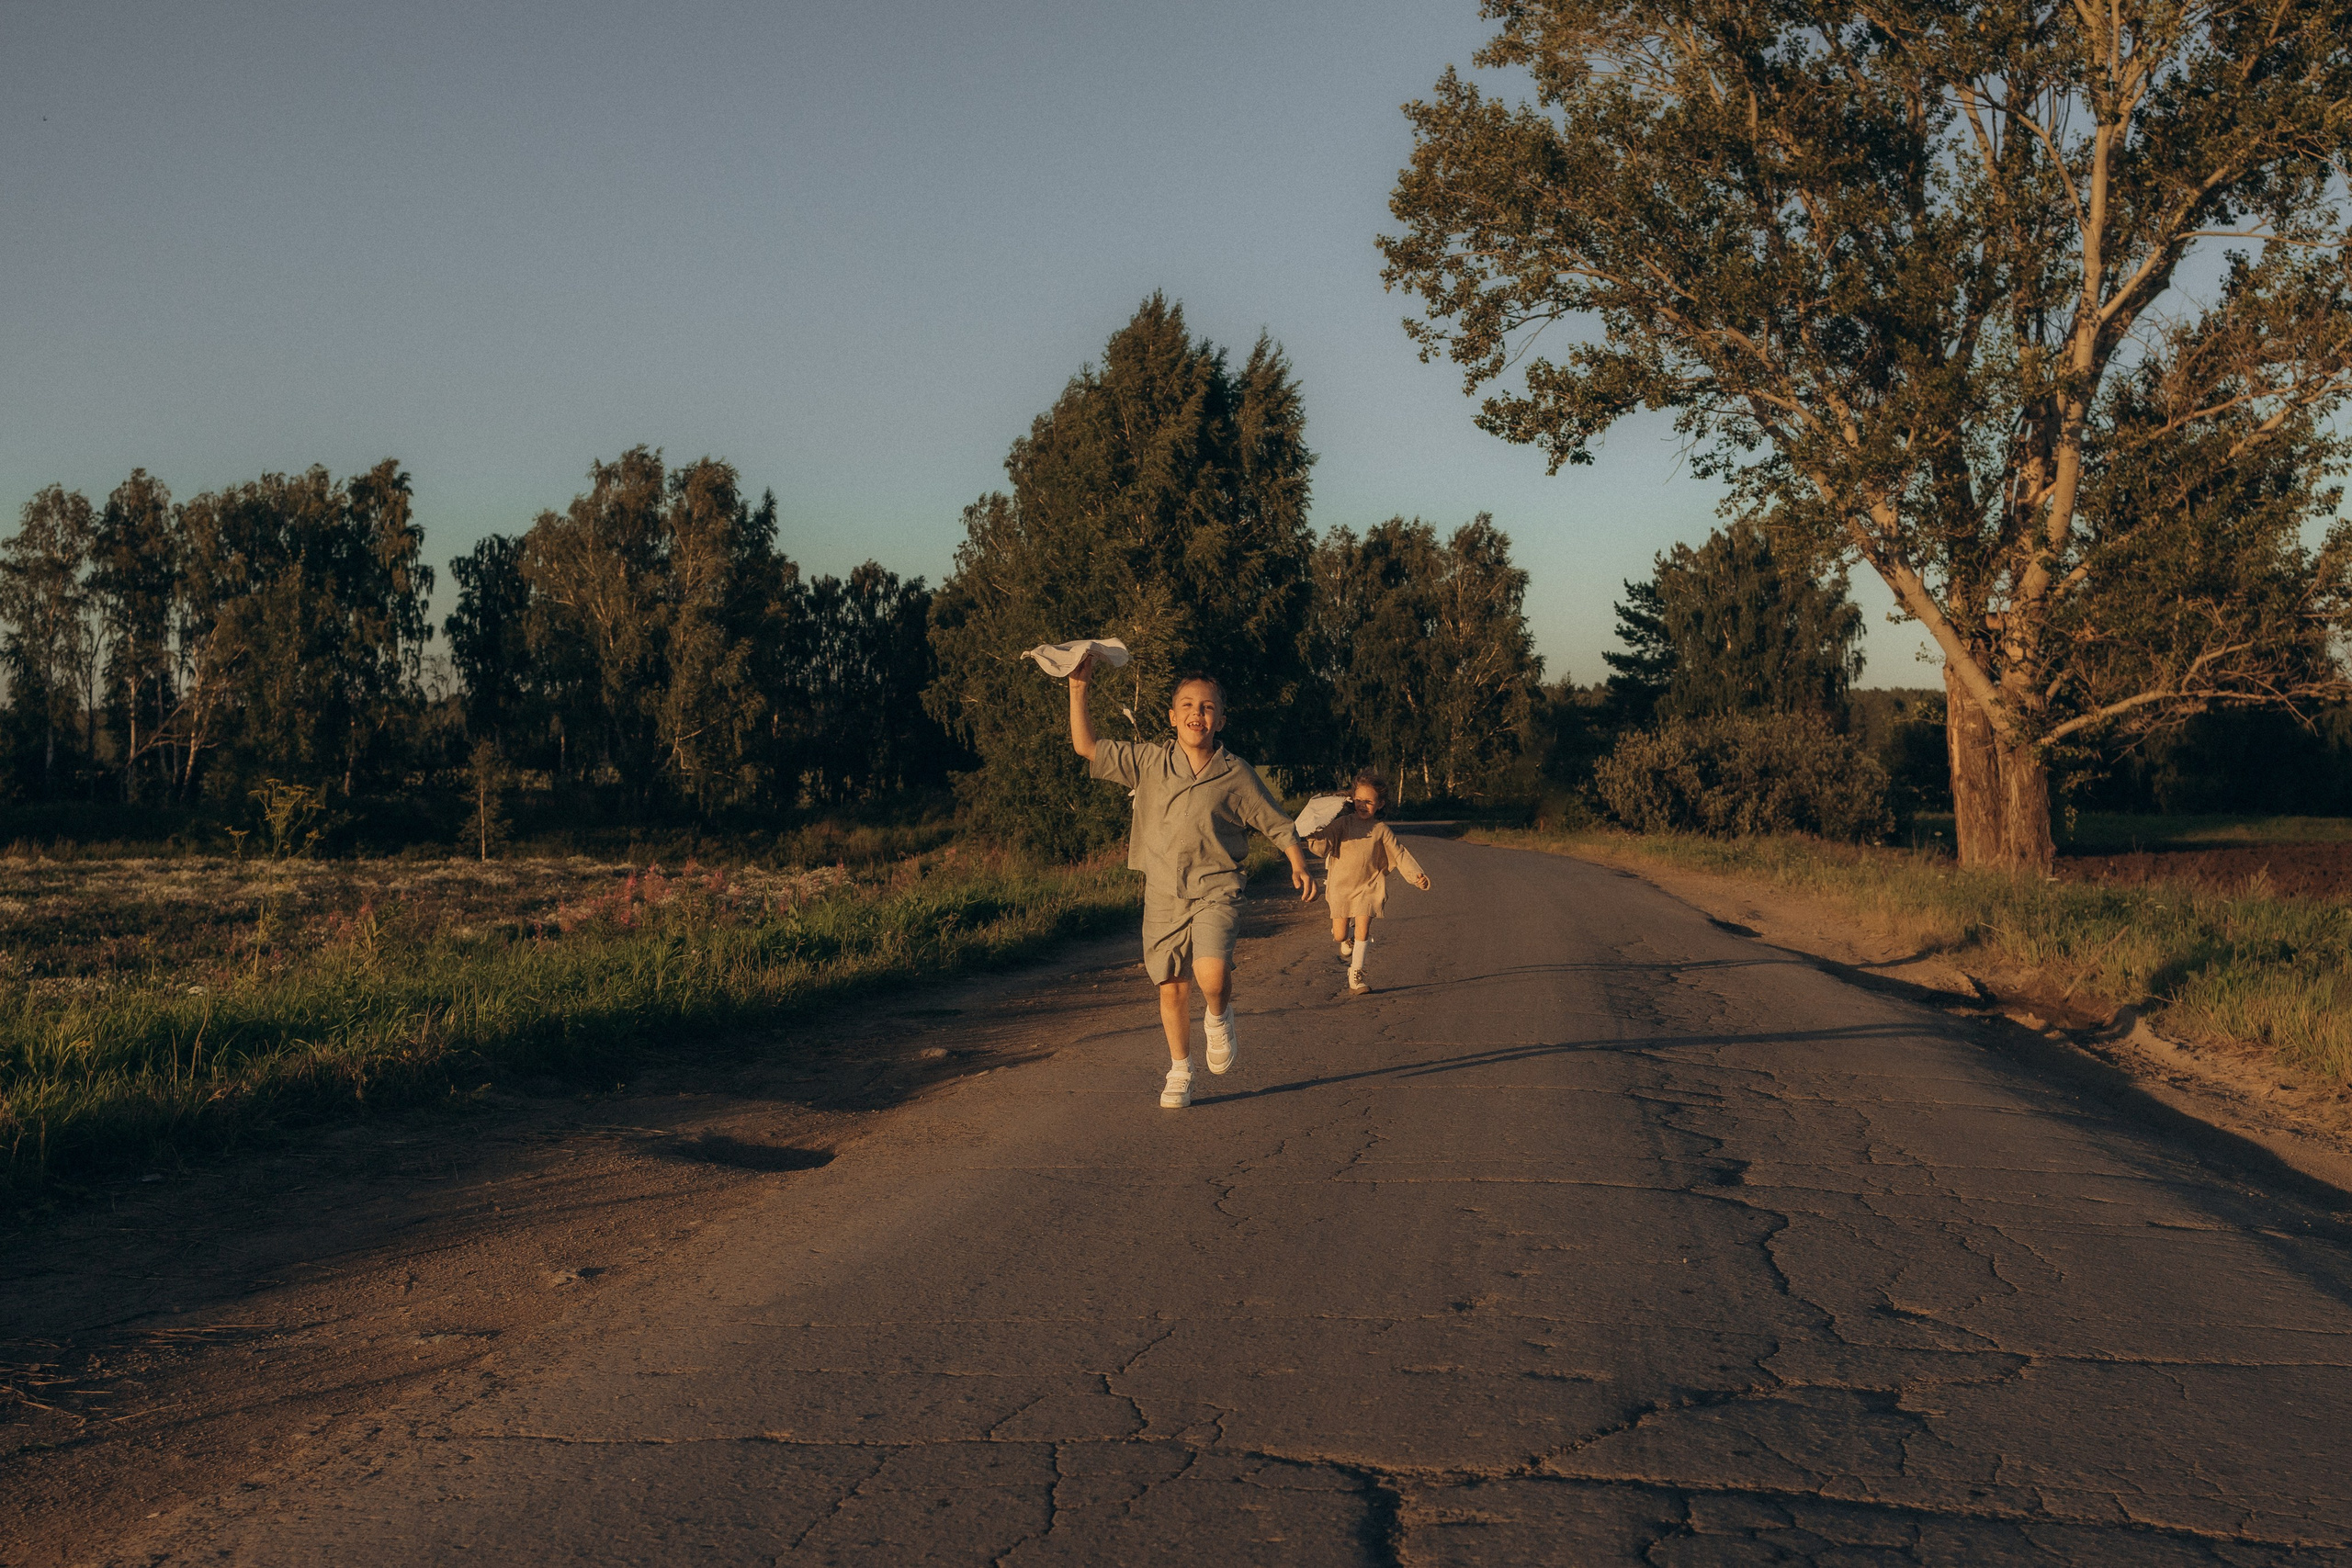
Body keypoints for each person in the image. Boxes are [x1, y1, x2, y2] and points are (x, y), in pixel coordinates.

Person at [1068, 652, 1317, 1108]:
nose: (1196, 714)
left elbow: (1277, 823)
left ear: (1220, 718)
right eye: (1187, 705)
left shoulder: (1235, 774)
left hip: (1217, 888)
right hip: (1162, 891)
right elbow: (1088, 746)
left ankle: (1219, 1017)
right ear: (1171, 716)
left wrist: (1298, 863)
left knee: (1212, 974)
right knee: (1172, 986)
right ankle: (1180, 1068)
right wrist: (1078, 688)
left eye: (1206, 707)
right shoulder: (1148, 761)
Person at [1306, 767, 1430, 994]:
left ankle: (1356, 975)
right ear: (1352, 799)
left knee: (1363, 929)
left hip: (1369, 887)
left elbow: (1399, 853)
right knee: (1340, 935)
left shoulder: (1381, 830)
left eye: (1369, 802)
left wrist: (1416, 876)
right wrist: (1313, 834)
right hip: (1341, 888)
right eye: (1359, 800)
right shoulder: (1343, 824)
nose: (1363, 805)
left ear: (1380, 804)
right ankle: (1346, 941)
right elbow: (1323, 845)